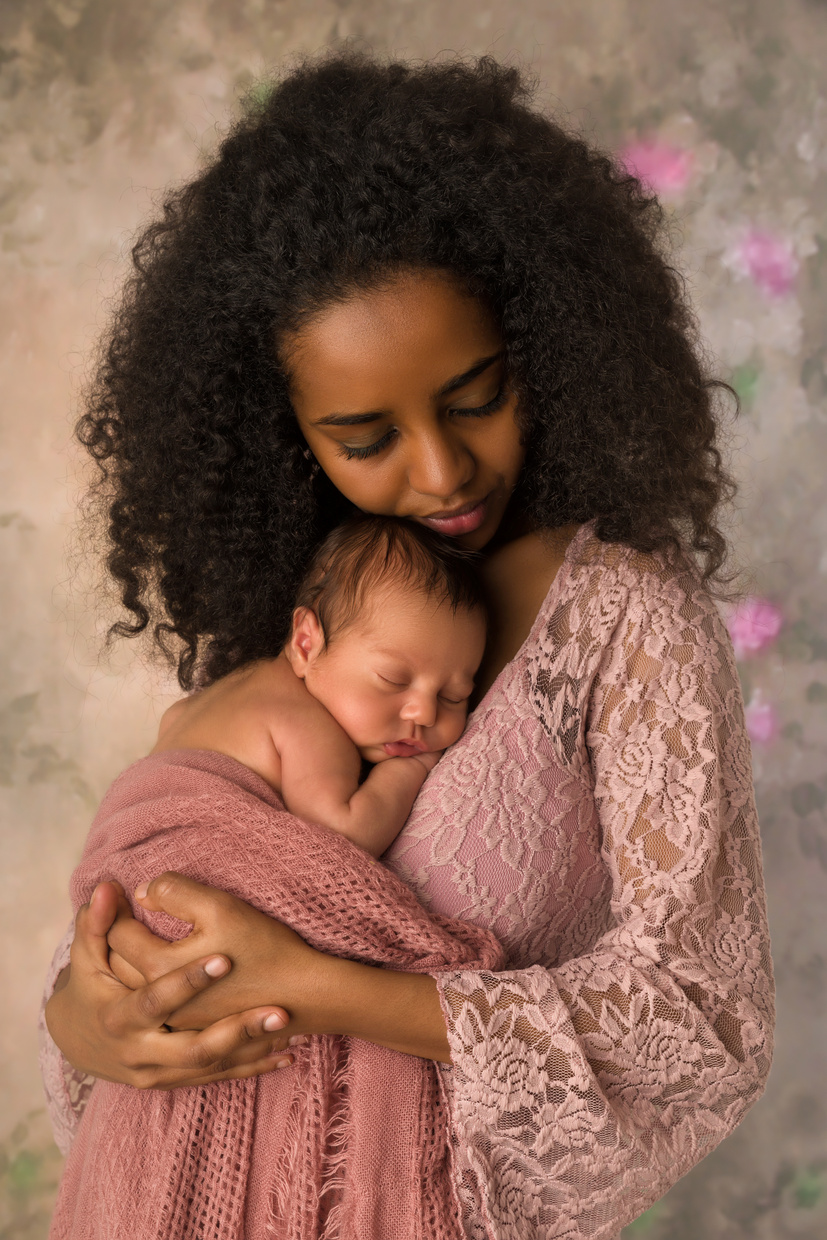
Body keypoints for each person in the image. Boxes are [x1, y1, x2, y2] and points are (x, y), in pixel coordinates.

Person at [41, 52, 774, 1239]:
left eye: (475, 395)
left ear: (542, 340)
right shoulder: (309, 616)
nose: (439, 473)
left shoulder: (622, 622)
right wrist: (83, 1019)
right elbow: (175, 892)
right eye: (365, 433)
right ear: (281, 433)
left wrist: (322, 986)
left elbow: (700, 1020)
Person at [151, 515, 487, 857]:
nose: (426, 713)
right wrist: (414, 767)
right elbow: (342, 837)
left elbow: (172, 720)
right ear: (306, 644)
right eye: (394, 680)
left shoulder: (230, 686)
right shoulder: (305, 722)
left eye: (453, 697)